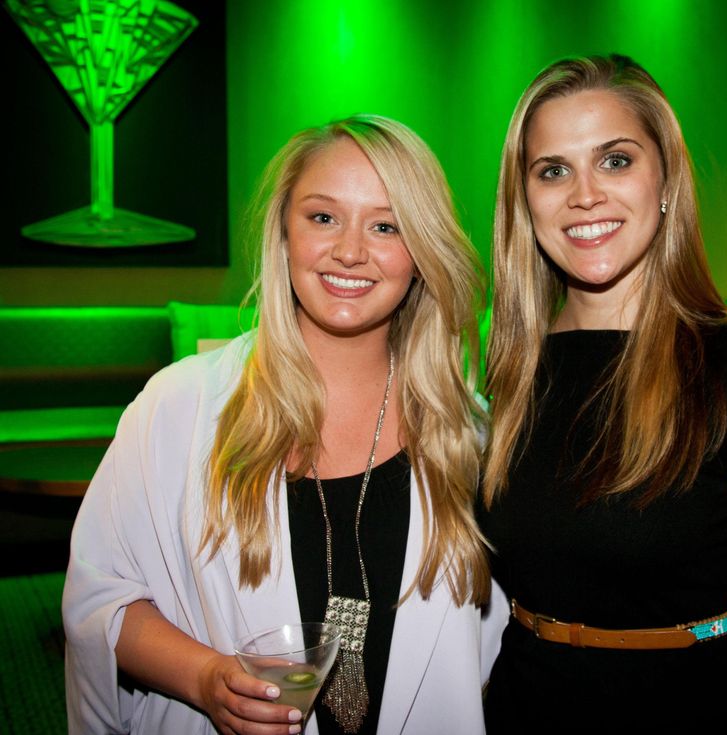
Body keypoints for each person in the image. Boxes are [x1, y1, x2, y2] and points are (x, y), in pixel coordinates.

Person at [63, 115, 504, 735]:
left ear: (423, 251)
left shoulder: (469, 434)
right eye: (323, 217)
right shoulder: (179, 407)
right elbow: (101, 600)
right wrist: (204, 678)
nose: (349, 251)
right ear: (284, 233)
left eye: (386, 226)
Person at [478, 54, 727, 733]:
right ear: (525, 202)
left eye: (615, 161)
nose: (584, 195)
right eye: (553, 170)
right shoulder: (507, 371)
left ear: (664, 178)